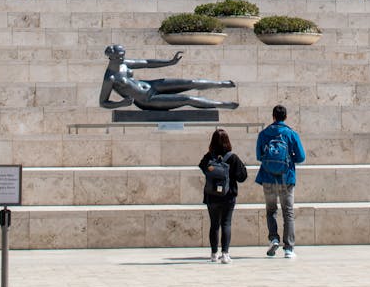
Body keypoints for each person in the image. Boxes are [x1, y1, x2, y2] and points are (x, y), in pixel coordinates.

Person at [99, 45, 238, 111]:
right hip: (147, 100)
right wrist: (120, 104)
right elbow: (103, 102)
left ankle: (221, 83)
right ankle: (222, 104)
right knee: (187, 99)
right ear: (110, 57)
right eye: (119, 56)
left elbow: (147, 63)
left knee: (190, 82)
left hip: (151, 85)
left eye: (123, 55)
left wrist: (169, 62)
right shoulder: (110, 78)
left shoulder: (124, 64)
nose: (122, 58)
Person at [255, 104, 305, 259]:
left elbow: (259, 156)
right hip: (286, 177)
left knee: (271, 210)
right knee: (288, 212)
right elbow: (301, 157)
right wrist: (290, 160)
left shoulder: (264, 134)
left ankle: (273, 239)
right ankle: (288, 248)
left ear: (273, 116)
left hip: (268, 177)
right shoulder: (291, 134)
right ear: (286, 117)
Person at [199, 128, 247, 264]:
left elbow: (202, 167)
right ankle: (225, 254)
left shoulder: (209, 157)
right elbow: (242, 177)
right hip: (228, 195)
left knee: (214, 225)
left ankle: (214, 254)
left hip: (211, 195)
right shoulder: (232, 158)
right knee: (226, 223)